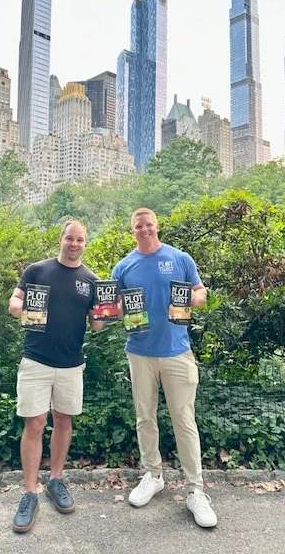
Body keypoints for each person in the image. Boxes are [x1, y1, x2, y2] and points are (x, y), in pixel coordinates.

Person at [111, 208, 217, 528]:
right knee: (145, 417)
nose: (144, 230)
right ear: (132, 231)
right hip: (139, 353)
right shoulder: (124, 265)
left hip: (177, 352)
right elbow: (111, 306)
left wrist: (194, 300)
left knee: (184, 420)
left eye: (148, 225)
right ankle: (153, 475)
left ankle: (195, 491)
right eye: (137, 226)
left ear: (157, 226)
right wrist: (118, 309)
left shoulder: (180, 258)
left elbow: (200, 292)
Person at [8, 220, 104, 533]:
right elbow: (15, 301)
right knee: (34, 424)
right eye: (70, 238)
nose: (74, 243)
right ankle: (29, 492)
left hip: (72, 364)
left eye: (80, 240)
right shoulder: (37, 270)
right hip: (36, 360)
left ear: (85, 243)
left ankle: (56, 480)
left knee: (63, 421)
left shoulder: (91, 280)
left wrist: (107, 312)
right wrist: (18, 308)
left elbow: (97, 325)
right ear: (60, 239)